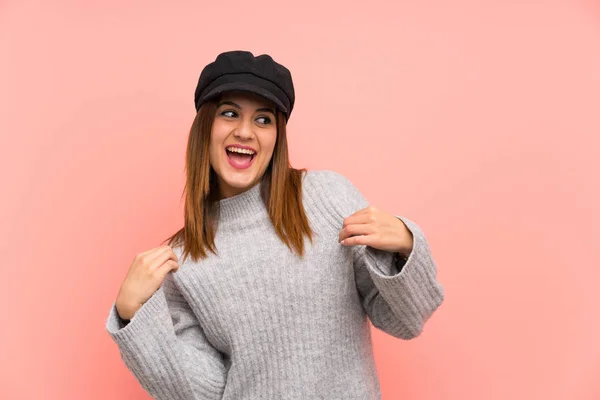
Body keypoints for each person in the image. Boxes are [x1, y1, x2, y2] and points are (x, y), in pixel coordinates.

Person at [105, 50, 444, 400]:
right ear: (205, 127)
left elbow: (405, 320)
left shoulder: (327, 197)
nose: (245, 132)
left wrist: (406, 245)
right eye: (230, 113)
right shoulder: (182, 261)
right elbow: (201, 393)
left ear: (277, 136)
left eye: (263, 120)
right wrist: (133, 316)